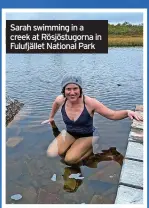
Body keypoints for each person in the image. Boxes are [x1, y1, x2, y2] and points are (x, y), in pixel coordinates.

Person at [42, 75, 142, 165]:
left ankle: (92, 152)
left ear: (80, 89)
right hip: (70, 133)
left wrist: (127, 112)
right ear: (63, 91)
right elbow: (55, 104)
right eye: (68, 89)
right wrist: (51, 118)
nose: (72, 92)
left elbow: (112, 115)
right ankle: (79, 148)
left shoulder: (90, 103)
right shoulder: (61, 100)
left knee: (69, 160)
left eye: (75, 88)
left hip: (88, 135)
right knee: (51, 153)